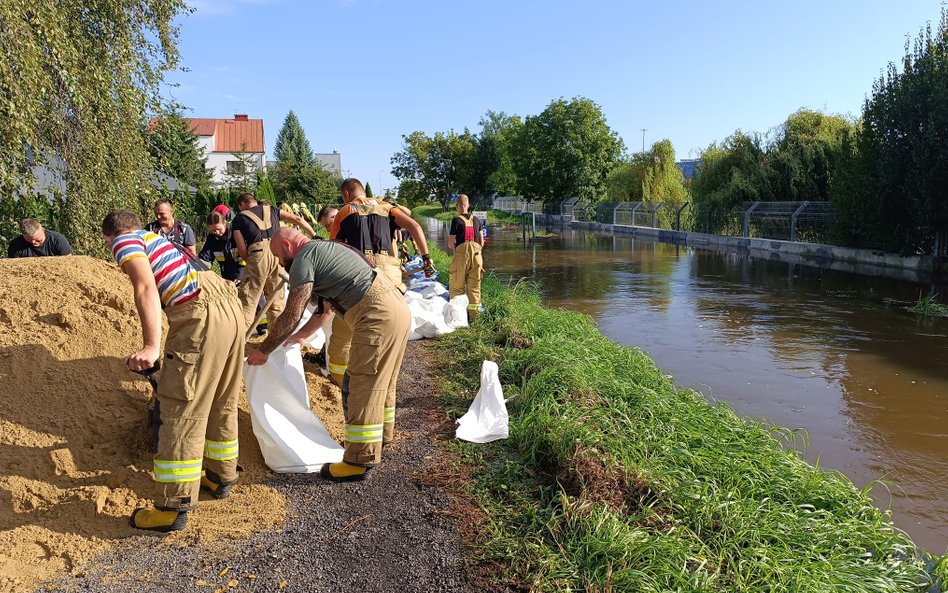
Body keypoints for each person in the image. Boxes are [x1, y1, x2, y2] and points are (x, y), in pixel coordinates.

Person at [102, 210, 243, 532]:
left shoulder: (125, 240)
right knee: (221, 398)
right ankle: (221, 476)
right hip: (229, 308)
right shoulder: (160, 241)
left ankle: (171, 507)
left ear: (109, 236)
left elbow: (145, 288)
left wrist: (152, 347)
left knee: (181, 408)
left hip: (199, 313)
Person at [246, 227, 411, 483]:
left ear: (288, 247)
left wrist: (264, 350)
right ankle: (382, 438)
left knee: (360, 384)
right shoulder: (327, 249)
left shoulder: (303, 259)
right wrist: (301, 337)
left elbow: (292, 313)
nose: (280, 263)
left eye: (279, 256)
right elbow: (324, 311)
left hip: (377, 316)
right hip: (397, 310)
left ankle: (358, 460)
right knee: (383, 381)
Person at [325, 177, 435, 387]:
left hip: (359, 276)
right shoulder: (387, 208)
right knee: (387, 326)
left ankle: (339, 381)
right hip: (391, 277)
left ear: (346, 194)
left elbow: (334, 251)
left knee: (343, 332)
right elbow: (414, 226)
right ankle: (385, 375)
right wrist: (427, 257)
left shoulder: (344, 212)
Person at [231, 192, 315, 331]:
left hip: (257, 255)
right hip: (278, 255)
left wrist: (253, 265)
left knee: (248, 302)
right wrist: (313, 235)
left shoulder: (239, 219)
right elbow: (297, 219)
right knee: (277, 302)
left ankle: (237, 345)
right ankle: (276, 346)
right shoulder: (272, 210)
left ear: (242, 205)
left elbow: (241, 249)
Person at [447, 194, 484, 321]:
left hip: (462, 256)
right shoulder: (477, 220)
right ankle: (474, 318)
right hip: (477, 255)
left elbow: (451, 244)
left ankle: (458, 318)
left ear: (457, 206)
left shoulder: (456, 220)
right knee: (474, 287)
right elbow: (482, 242)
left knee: (456, 286)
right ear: (468, 205)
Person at [199, 211, 245, 282]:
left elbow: (244, 258)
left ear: (225, 224)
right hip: (226, 277)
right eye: (213, 230)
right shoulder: (212, 239)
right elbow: (205, 258)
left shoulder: (236, 234)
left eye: (219, 229)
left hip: (245, 274)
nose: (217, 232)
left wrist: (239, 276)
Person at [7, 218, 72, 257]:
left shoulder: (57, 240)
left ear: (41, 229)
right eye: (29, 239)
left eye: (36, 239)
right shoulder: (15, 245)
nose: (33, 242)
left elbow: (68, 263)